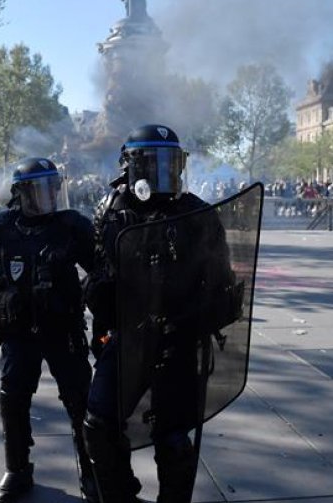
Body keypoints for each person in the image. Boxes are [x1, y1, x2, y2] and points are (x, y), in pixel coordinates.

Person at [82, 124, 238, 503]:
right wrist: (101, 296)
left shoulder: (198, 214)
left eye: (171, 164)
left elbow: (223, 285)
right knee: (99, 424)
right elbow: (98, 278)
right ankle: (121, 496)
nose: (163, 174)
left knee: (173, 438)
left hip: (179, 339)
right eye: (153, 164)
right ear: (131, 167)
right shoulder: (112, 213)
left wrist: (201, 317)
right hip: (128, 337)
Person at [0, 157, 97, 502]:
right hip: (18, 332)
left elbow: (103, 270)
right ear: (21, 194)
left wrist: (112, 312)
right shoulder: (1, 226)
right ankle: (18, 467)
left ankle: (92, 471)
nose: (50, 198)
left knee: (80, 400)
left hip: (63, 328)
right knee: (13, 399)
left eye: (53, 189)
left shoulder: (72, 225)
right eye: (41, 191)